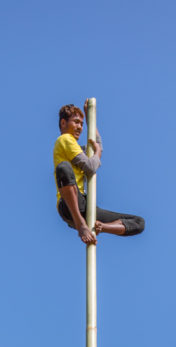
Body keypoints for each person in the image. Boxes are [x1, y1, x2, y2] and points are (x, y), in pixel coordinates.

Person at [53, 101, 144, 245]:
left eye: (81, 124)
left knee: (138, 222)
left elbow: (97, 146)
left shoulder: (77, 148)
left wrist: (91, 118)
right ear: (63, 123)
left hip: (85, 205)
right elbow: (91, 166)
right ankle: (81, 224)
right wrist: (98, 152)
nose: (80, 127)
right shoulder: (65, 139)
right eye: (76, 122)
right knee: (63, 167)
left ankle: (101, 226)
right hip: (70, 204)